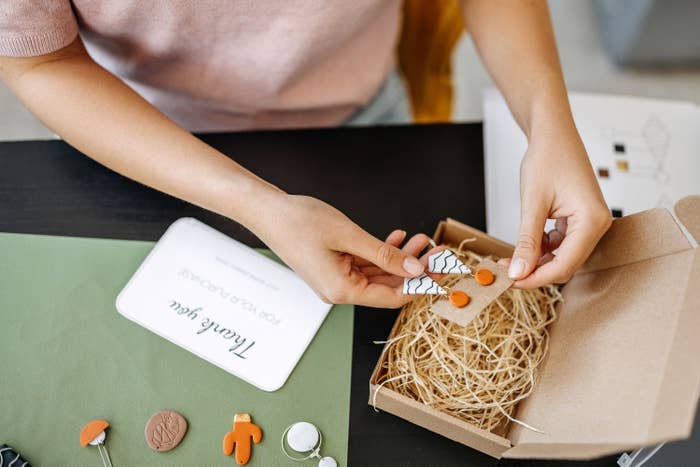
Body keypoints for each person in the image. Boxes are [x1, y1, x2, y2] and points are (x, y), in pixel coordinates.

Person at [0, 1, 611, 308]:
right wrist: (256, 204)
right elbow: (42, 61)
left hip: (362, 112)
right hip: (135, 134)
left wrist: (549, 122)